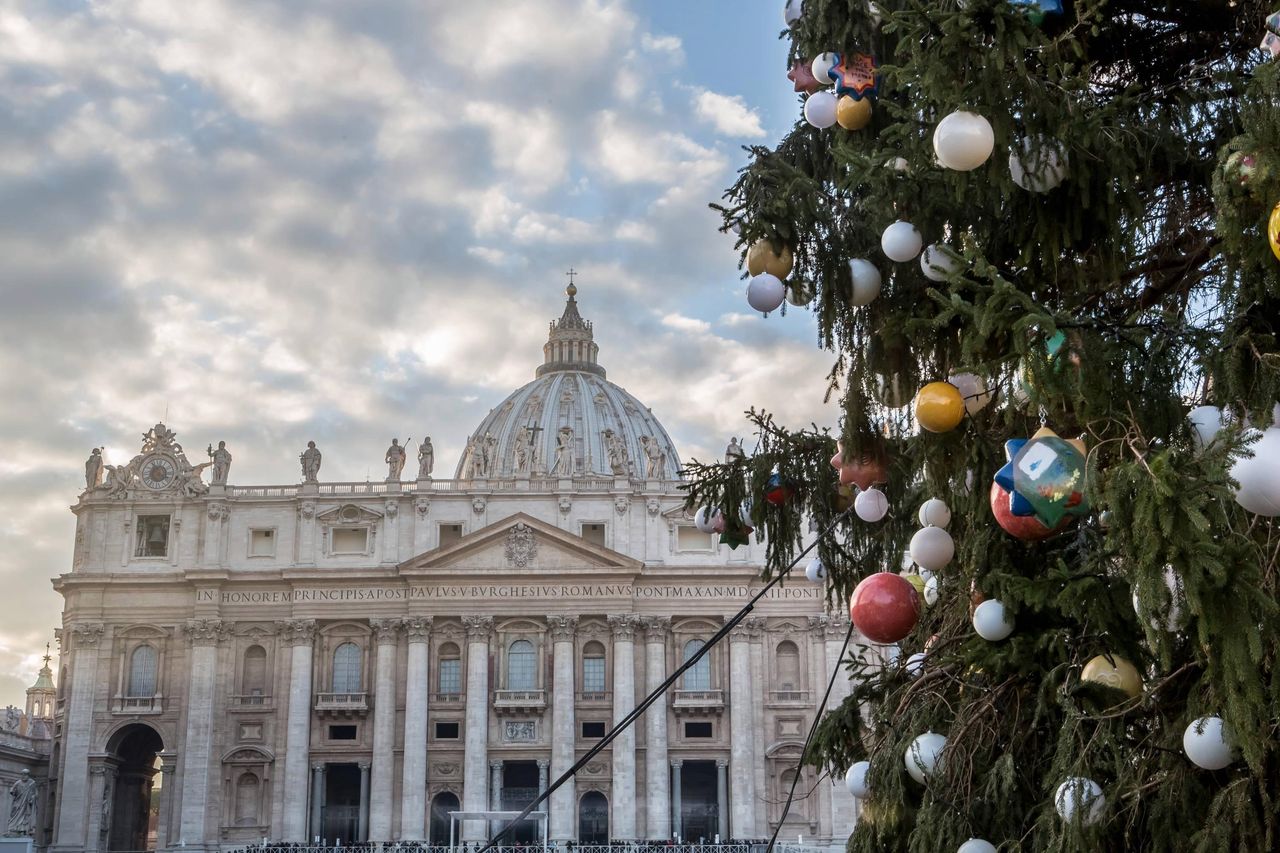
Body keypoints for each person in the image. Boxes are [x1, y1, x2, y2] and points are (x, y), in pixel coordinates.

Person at [6, 769, 37, 837]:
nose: (23, 776)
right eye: (22, 774)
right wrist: (13, 792)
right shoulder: (18, 783)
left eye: (25, 774)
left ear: (28, 775)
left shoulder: (32, 783)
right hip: (18, 803)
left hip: (26, 804)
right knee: (14, 815)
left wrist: (32, 798)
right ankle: (13, 829)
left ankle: (23, 830)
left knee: (25, 817)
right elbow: (12, 791)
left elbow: (35, 794)